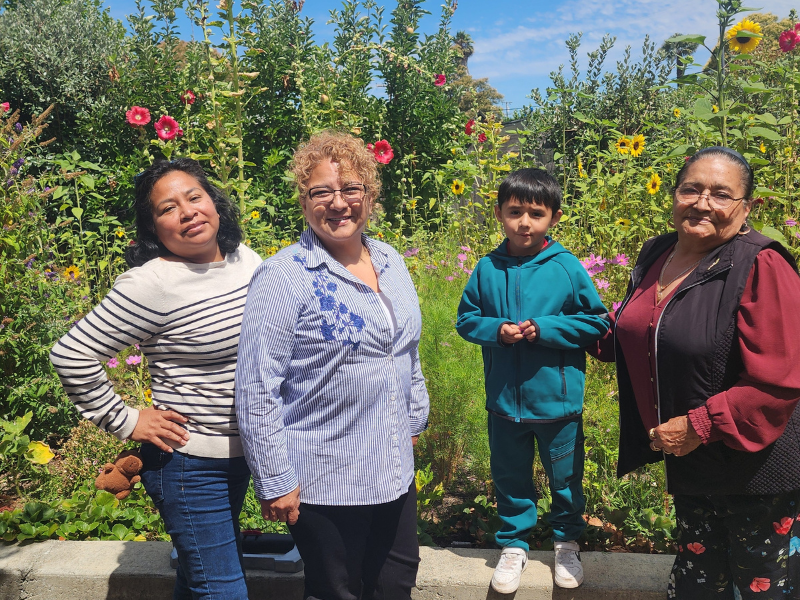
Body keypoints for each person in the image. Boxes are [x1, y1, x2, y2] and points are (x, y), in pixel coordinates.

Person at [589, 147, 800, 599]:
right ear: (674, 195)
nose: (703, 203)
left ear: (746, 208)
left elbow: (781, 378)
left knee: (761, 589)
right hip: (691, 462)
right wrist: (572, 328)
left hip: (754, 471)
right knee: (697, 587)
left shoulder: (761, 264)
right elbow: (640, 327)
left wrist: (701, 424)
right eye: (692, 189)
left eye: (721, 194)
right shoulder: (657, 252)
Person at [50, 158, 262, 599]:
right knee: (222, 589)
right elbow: (71, 353)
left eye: (195, 197)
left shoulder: (246, 260)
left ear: (215, 205)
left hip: (242, 453)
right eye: (167, 208)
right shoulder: (152, 284)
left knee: (199, 577)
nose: (187, 212)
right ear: (153, 228)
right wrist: (127, 421)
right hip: (188, 463)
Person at [235, 130, 429, 600]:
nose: (338, 203)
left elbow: (406, 349)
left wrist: (413, 418)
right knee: (336, 592)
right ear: (304, 200)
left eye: (351, 189)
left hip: (392, 469)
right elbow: (257, 388)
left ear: (370, 195)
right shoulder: (285, 276)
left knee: (396, 583)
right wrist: (275, 479)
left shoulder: (390, 260)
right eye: (322, 191)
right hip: (325, 479)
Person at [455, 168, 609, 593]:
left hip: (557, 403)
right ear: (500, 214)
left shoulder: (565, 267)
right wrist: (496, 331)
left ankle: (566, 542)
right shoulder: (487, 268)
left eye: (536, 214)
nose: (525, 222)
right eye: (515, 212)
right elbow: (466, 320)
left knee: (565, 477)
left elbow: (596, 322)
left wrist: (545, 328)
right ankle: (514, 545)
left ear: (553, 218)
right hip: (504, 403)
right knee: (510, 476)